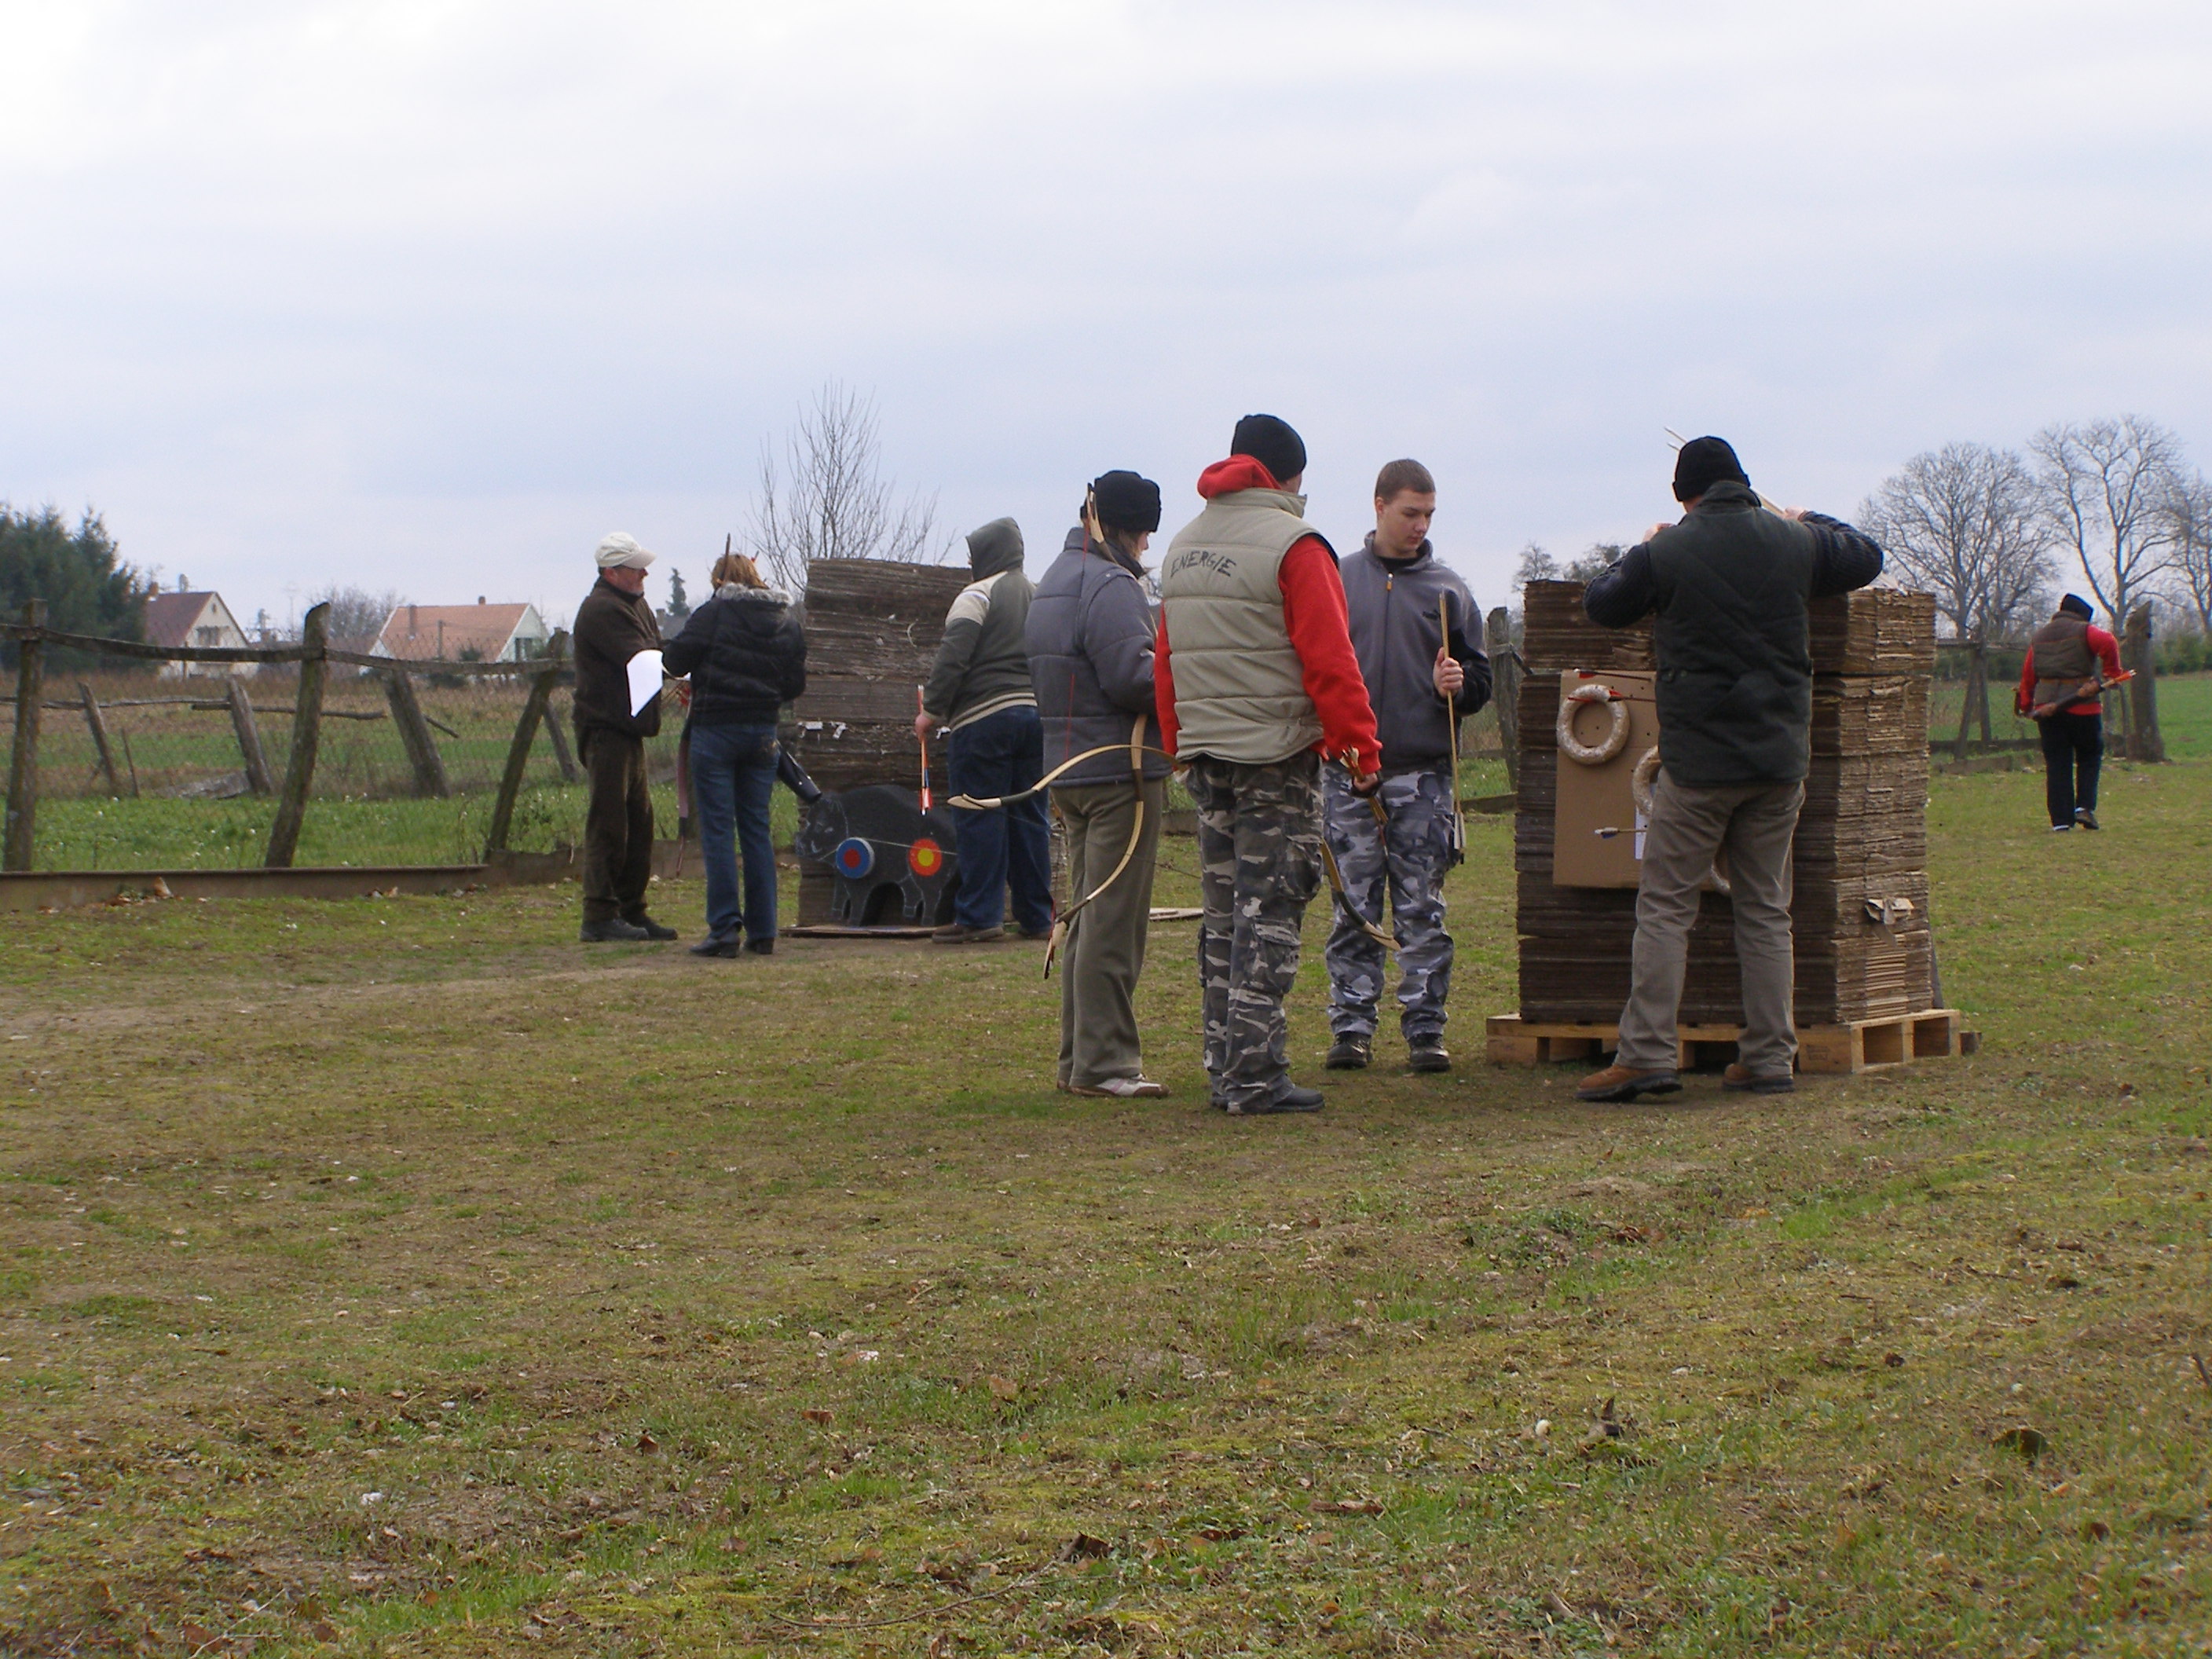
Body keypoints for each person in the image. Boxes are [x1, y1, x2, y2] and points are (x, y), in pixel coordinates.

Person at [1574, 437, 1884, 1102]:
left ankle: (1647, 1054)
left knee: (1666, 908)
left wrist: (1642, 547)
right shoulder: (1795, 543)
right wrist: (1808, 519)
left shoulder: (1667, 552)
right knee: (1767, 910)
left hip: (1698, 765)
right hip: (1778, 760)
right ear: (1744, 482)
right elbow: (1866, 555)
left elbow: (1602, 604)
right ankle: (1770, 1057)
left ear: (1681, 495)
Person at [1156, 415, 1381, 1117]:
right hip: (1274, 758)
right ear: (1289, 476)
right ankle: (1256, 1076)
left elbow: (1165, 660)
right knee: (1271, 908)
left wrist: (1178, 743)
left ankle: (1223, 1065)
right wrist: (1360, 751)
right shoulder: (1295, 544)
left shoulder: (1182, 547)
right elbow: (1330, 659)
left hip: (1207, 755)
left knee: (1224, 914)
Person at [1321, 459, 1491, 1075]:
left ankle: (1425, 1029)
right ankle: (1351, 1029)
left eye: (1428, 515)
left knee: (1422, 906)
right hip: (1348, 773)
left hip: (1423, 775)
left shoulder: (1450, 591)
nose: (1421, 525)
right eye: (1410, 513)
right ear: (1380, 506)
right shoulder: (1337, 581)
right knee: (1354, 907)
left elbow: (1481, 681)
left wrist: (1460, 684)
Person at [1027, 471, 1173, 1098]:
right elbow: (1133, 678)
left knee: (1085, 921)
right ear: (1124, 528)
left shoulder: (1055, 578)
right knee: (1114, 924)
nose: (1146, 547)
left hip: (1071, 771)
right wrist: (1180, 668)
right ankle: (1106, 1063)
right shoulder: (1111, 585)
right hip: (1122, 772)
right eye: (1143, 534)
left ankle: (1077, 1061)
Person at [663, 550, 807, 957]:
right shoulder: (786, 622)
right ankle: (764, 930)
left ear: (719, 581)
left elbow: (674, 660)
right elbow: (794, 685)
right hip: (762, 732)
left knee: (718, 831)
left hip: (715, 730)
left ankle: (725, 928)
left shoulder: (713, 614)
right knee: (756, 829)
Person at [917, 518, 1054, 943]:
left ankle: (980, 917)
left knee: (980, 817)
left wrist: (931, 711)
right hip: (1035, 718)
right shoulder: (1040, 595)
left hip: (983, 720)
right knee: (1030, 819)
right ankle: (1037, 918)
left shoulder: (976, 594)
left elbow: (953, 657)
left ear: (985, 555)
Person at [571, 532, 678, 943]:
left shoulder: (635, 605)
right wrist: (683, 666)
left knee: (639, 824)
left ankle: (632, 910)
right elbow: (644, 658)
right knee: (609, 824)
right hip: (606, 731)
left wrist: (679, 668)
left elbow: (655, 653)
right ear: (612, 573)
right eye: (635, 568)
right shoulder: (602, 610)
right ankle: (599, 914)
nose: (644, 573)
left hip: (629, 731)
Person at [2016, 593, 2121, 832]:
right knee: (2089, 756)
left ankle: (2061, 821)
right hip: (2084, 707)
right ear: (2082, 616)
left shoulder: (2039, 637)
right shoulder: (2085, 631)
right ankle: (2084, 807)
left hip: (2047, 710)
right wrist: (2112, 672)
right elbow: (2108, 641)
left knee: (2057, 763)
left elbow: (2028, 674)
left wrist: (2027, 705)